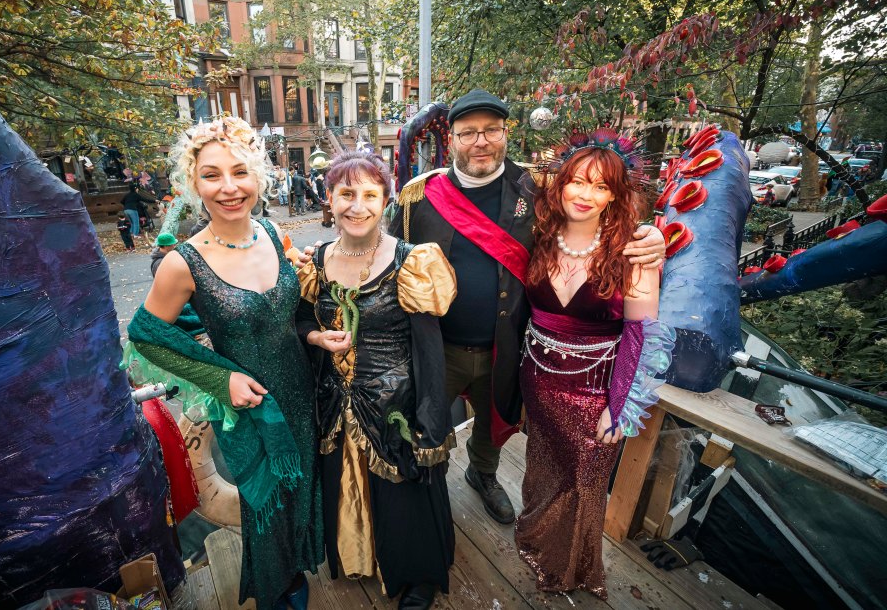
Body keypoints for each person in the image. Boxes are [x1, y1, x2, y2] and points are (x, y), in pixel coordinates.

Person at [386, 89, 665, 525]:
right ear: (452, 139)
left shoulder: (538, 189)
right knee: (428, 421)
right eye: (468, 133)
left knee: (496, 419)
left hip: (509, 344)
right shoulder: (417, 198)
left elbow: (596, 216)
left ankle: (483, 474)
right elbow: (388, 259)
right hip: (436, 344)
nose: (481, 141)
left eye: (491, 131)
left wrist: (650, 234)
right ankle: (430, 490)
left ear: (505, 134)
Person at [126, 117, 322, 610]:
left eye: (240, 172)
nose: (229, 188)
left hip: (301, 395)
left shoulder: (275, 233)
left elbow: (289, 314)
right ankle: (277, 596)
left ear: (258, 177)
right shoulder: (182, 263)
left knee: (300, 497)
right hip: (249, 410)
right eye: (212, 175)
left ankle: (294, 580)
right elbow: (145, 339)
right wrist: (222, 377)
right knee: (265, 511)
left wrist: (315, 330)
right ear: (193, 183)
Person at [514, 130, 673, 599]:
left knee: (585, 485)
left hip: (597, 389)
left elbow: (640, 336)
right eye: (578, 182)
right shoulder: (541, 237)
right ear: (560, 184)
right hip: (537, 378)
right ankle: (539, 544)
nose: (586, 195)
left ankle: (573, 570)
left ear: (616, 196)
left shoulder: (635, 251)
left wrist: (620, 407)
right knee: (542, 471)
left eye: (602, 186)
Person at [297, 151, 457, 610]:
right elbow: (302, 320)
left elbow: (429, 349)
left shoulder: (412, 262)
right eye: (346, 194)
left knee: (403, 496)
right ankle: (360, 556)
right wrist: (315, 335)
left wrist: (429, 417)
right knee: (348, 486)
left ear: (386, 199)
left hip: (396, 406)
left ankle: (417, 576)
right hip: (336, 401)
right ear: (329, 199)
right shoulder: (318, 260)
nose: (358, 206)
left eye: (370, 195)